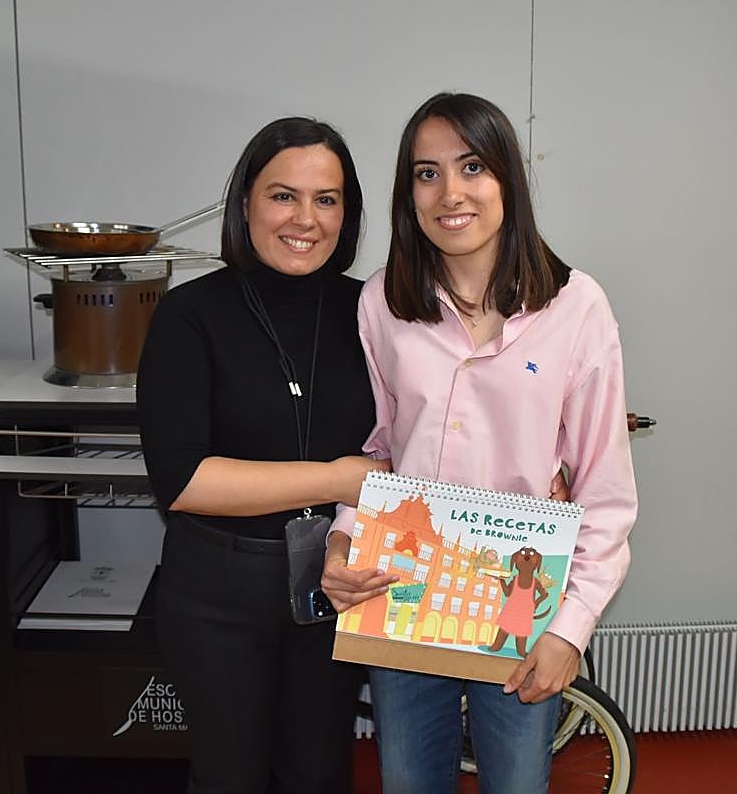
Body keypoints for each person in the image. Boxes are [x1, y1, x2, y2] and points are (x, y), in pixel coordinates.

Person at [323, 92, 638, 793]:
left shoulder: (576, 307)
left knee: (517, 784)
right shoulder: (382, 302)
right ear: (408, 193)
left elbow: (606, 494)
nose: (450, 192)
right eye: (426, 173)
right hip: (403, 592)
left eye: (472, 167)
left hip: (519, 604)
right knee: (409, 782)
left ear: (507, 180)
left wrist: (570, 629)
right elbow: (377, 449)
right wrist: (343, 541)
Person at [136, 117, 397, 794]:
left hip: (337, 582)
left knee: (320, 773)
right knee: (231, 777)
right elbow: (183, 480)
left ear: (348, 214)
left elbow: (435, 415)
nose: (305, 219)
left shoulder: (373, 311)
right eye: (284, 196)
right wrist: (336, 479)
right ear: (246, 202)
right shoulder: (188, 314)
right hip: (220, 592)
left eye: (326, 199)